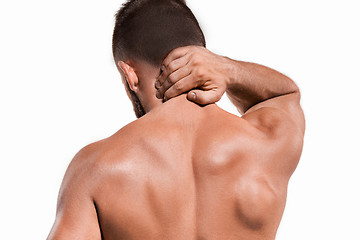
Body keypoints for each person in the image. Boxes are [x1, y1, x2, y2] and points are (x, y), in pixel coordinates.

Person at [47, 0, 305, 239]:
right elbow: (285, 93)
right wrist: (226, 68)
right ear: (205, 58)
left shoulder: (94, 168)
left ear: (129, 74)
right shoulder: (265, 143)